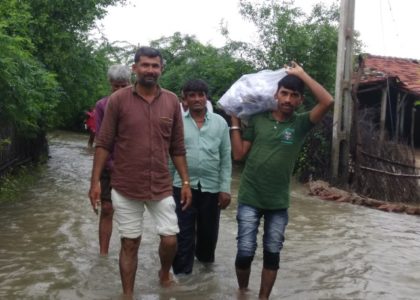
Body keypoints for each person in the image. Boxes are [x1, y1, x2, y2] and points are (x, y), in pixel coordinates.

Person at [89, 46, 192, 298]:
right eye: (145, 65)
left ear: (161, 69)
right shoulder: (118, 100)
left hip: (160, 184)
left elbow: (177, 147)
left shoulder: (171, 102)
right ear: (135, 68)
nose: (150, 70)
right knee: (130, 242)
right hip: (125, 185)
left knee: (170, 239)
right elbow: (104, 143)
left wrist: (186, 181)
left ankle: (164, 272)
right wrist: (95, 183)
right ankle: (128, 294)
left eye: (155, 66)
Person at [230, 61, 334, 299]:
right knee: (245, 251)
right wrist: (234, 121)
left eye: (294, 95)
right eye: (284, 93)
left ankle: (263, 298)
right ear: (275, 95)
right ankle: (243, 292)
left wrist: (302, 74)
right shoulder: (258, 120)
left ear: (300, 100)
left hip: (278, 202)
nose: (287, 99)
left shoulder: (300, 124)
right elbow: (238, 155)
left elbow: (328, 101)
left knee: (272, 252)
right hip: (250, 197)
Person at [171, 79, 232, 275]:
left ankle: (205, 283)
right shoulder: (177, 122)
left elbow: (225, 158)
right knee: (183, 235)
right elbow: (170, 156)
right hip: (181, 186)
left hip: (212, 189)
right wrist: (166, 186)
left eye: (201, 95)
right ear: (185, 99)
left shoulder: (220, 123)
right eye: (192, 95)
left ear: (206, 98)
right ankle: (183, 281)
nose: (197, 99)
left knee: (208, 236)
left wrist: (225, 189)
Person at [94, 64, 131, 256]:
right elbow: (101, 138)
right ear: (110, 84)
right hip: (110, 166)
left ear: (129, 84)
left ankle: (128, 252)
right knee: (107, 208)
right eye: (115, 86)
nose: (118, 90)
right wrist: (107, 167)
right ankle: (103, 254)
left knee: (130, 211)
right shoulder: (102, 106)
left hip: (132, 167)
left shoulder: (136, 105)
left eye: (122, 86)